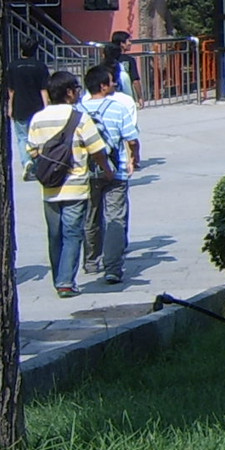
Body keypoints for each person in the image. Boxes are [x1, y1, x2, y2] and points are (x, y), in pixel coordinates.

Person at [27, 70, 113, 298]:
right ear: (68, 92)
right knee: (73, 234)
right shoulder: (80, 118)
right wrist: (107, 170)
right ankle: (66, 282)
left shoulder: (37, 118)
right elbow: (97, 149)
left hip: (49, 188)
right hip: (75, 185)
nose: (78, 93)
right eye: (76, 89)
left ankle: (59, 278)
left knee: (54, 235)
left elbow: (32, 151)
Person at [81, 63, 142, 285]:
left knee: (91, 215)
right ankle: (113, 267)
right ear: (103, 86)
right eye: (110, 81)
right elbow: (132, 140)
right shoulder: (118, 108)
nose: (114, 84)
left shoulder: (78, 109)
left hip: (86, 171)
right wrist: (134, 158)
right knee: (115, 217)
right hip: (116, 170)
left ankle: (91, 260)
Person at [6, 37, 50, 174]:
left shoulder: (13, 66)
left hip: (19, 105)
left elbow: (11, 90)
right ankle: (35, 162)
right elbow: (44, 89)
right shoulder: (40, 66)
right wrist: (46, 106)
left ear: (21, 49)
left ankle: (26, 161)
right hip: (37, 106)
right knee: (37, 136)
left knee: (22, 137)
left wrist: (10, 107)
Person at [105, 31, 142, 99]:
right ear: (122, 43)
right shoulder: (130, 60)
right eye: (128, 41)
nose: (130, 43)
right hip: (127, 95)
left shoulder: (109, 60)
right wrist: (140, 97)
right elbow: (135, 81)